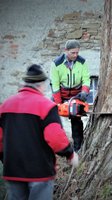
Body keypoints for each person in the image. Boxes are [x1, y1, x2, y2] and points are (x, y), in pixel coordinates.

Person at [0, 64, 79, 200]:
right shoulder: (47, 106)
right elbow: (55, 138)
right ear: (41, 84)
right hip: (40, 172)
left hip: (12, 169)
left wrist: (4, 159)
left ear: (25, 83)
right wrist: (70, 154)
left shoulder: (5, 106)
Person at [50, 39, 90, 152]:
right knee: (52, 118)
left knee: (76, 120)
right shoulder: (56, 64)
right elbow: (55, 85)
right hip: (60, 94)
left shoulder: (82, 62)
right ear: (66, 51)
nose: (76, 55)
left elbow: (86, 80)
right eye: (73, 52)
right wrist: (59, 103)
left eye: (77, 52)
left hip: (77, 95)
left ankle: (78, 147)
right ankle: (55, 145)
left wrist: (84, 92)